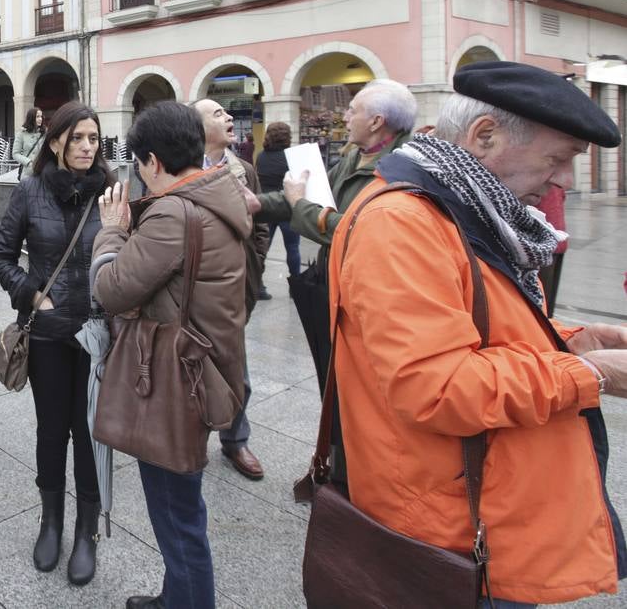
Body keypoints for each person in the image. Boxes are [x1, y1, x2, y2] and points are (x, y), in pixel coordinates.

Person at [328, 61, 626, 605]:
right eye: (556, 160)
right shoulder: (405, 222)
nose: (563, 181)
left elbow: (472, 319)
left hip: (487, 503)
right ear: (484, 136)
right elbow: (437, 384)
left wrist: (574, 339)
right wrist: (590, 374)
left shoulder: (467, 208)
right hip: (451, 526)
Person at [92, 101, 251, 609]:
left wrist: (113, 229)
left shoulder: (172, 213)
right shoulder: (219, 193)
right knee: (182, 508)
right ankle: (175, 595)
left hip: (177, 382)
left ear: (153, 162)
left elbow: (112, 289)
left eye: (139, 164)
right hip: (207, 368)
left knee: (177, 514)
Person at [0, 101, 111, 585]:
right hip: (47, 335)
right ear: (56, 139)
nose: (87, 147)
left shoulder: (111, 192)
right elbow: (1, 255)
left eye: (94, 139)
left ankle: (86, 530)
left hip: (99, 334)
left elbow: (130, 251)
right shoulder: (30, 191)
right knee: (51, 430)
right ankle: (51, 520)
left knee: (89, 433)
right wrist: (31, 295)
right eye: (78, 138)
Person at [253, 79, 416, 390]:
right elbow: (314, 195)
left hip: (370, 298)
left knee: (363, 384)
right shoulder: (355, 157)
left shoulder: (401, 169)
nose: (344, 117)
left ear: (376, 122)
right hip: (336, 286)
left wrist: (298, 202)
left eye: (352, 111)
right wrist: (256, 203)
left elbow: (358, 230)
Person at [192, 98, 269, 481]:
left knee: (237, 368)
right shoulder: (181, 169)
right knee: (187, 365)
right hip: (192, 286)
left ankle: (236, 440)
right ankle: (188, 440)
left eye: (227, 113)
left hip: (235, 286)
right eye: (217, 114)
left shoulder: (245, 171)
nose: (228, 118)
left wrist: (253, 264)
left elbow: (261, 226)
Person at [255, 122, 301, 279]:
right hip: (288, 208)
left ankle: (259, 285)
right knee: (293, 248)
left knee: (262, 248)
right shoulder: (292, 158)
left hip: (266, 207)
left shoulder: (261, 157)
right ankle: (295, 285)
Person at [537, 184, 568, 315]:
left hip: (544, 244)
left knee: (540, 299)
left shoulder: (541, 182)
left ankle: (545, 329)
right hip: (559, 241)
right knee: (548, 299)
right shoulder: (556, 182)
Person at [12, 107, 47, 177]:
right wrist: (29, 162)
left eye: (41, 116)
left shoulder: (45, 133)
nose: (40, 119)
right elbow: (15, 154)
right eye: (37, 117)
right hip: (28, 173)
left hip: (43, 172)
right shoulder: (22, 133)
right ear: (31, 118)